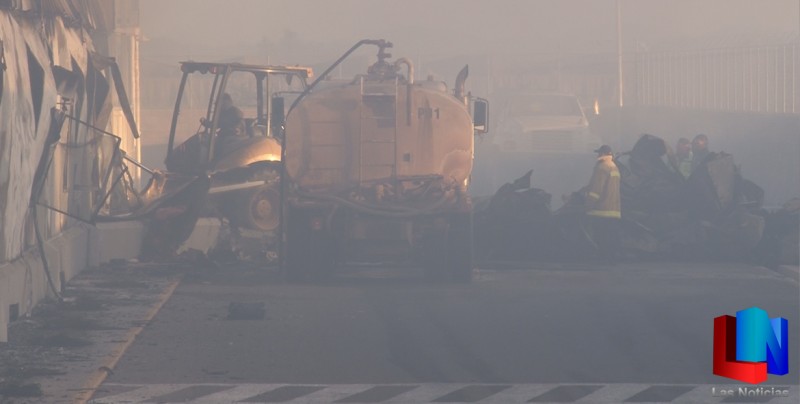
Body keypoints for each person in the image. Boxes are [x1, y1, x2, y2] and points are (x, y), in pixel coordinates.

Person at [583, 145, 622, 261]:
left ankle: (602, 259)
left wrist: (588, 205)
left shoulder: (602, 167)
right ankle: (610, 259)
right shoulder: (614, 167)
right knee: (610, 237)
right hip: (614, 211)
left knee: (601, 237)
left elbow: (596, 190)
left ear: (602, 154)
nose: (597, 155)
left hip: (601, 210)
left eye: (599, 153)